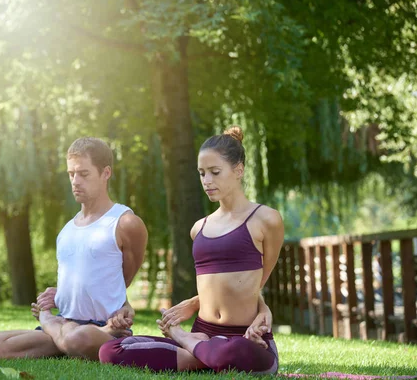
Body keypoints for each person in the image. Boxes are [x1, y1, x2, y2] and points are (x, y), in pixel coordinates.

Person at [99, 126, 284, 374]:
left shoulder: (266, 219)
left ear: (238, 170)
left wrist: (263, 309)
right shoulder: (199, 228)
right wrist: (196, 304)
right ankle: (203, 353)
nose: (207, 181)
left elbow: (257, 282)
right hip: (203, 332)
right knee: (111, 350)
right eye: (202, 173)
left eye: (215, 172)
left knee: (233, 350)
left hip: (247, 339)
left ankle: (187, 343)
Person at [0, 137, 148, 361]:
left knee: (81, 338)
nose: (75, 181)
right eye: (71, 174)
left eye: (84, 174)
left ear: (106, 173)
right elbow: (84, 278)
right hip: (65, 322)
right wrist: (62, 294)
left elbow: (123, 279)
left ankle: (54, 326)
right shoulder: (67, 230)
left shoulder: (125, 223)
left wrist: (123, 306)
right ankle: (64, 340)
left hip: (100, 329)